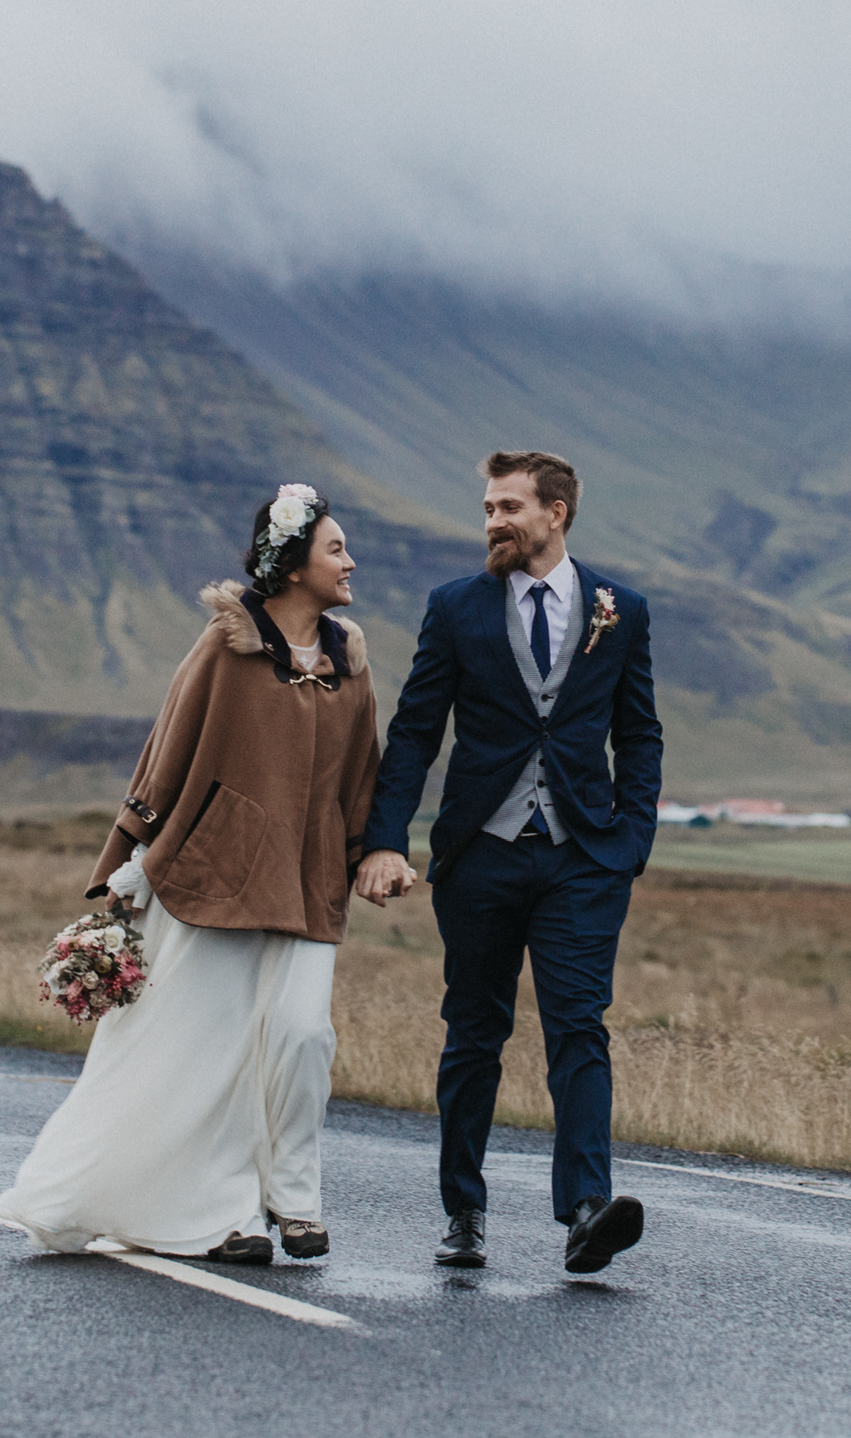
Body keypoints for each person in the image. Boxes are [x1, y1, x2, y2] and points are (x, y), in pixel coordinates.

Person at [0, 484, 380, 1264]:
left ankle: (296, 1196)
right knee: (212, 1049)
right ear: (294, 563)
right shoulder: (225, 645)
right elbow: (169, 751)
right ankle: (227, 1216)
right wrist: (128, 859)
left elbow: (363, 778)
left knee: (304, 1036)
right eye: (335, 548)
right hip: (219, 877)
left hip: (311, 886)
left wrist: (374, 851)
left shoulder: (350, 659)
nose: (350, 561)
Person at [355, 450, 663, 1276]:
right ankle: (464, 1208)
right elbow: (417, 730)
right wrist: (386, 838)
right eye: (488, 507)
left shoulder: (619, 610)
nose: (493, 520)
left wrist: (631, 840)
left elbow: (638, 733)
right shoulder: (456, 607)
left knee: (578, 1027)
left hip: (583, 859)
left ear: (556, 512)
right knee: (474, 1034)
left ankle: (588, 1210)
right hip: (479, 856)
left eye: (509, 507)